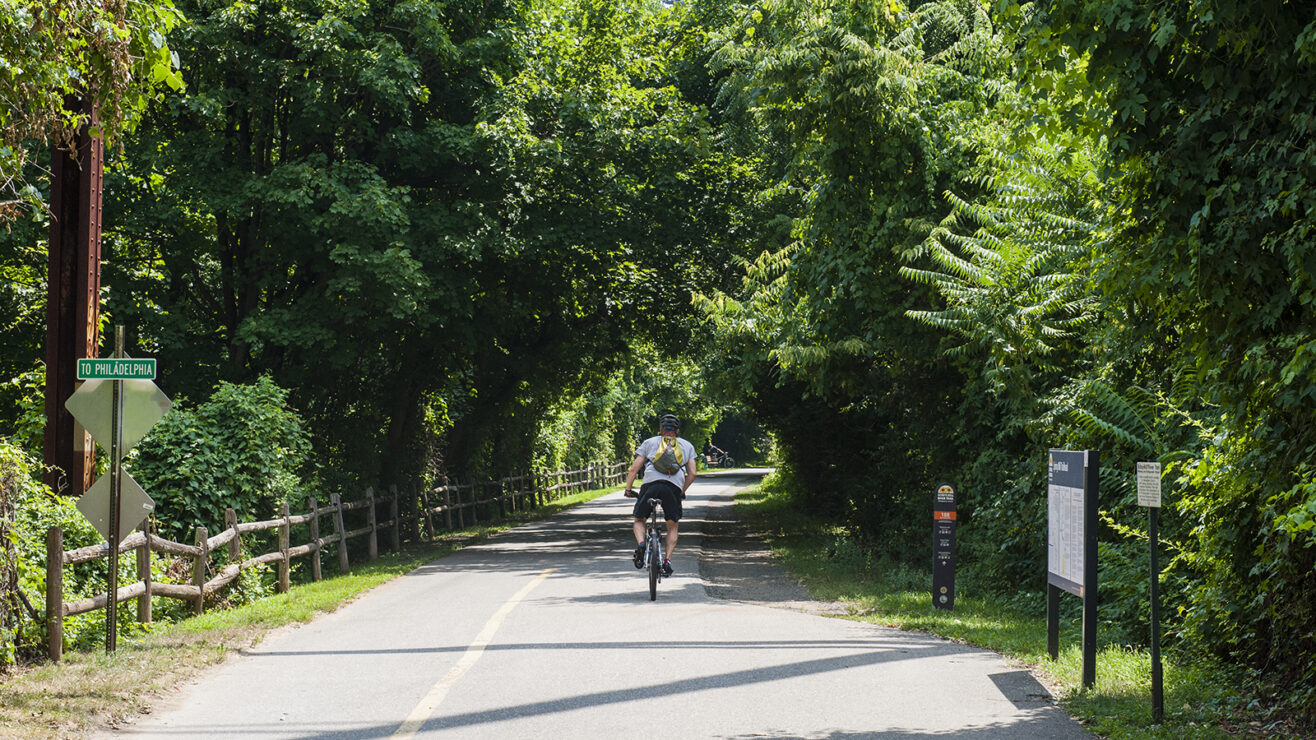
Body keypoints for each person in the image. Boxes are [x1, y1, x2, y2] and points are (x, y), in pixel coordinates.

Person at [624, 413, 697, 577]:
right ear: (677, 431)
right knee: (672, 525)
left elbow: (633, 469)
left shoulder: (650, 442)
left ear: (660, 429)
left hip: (650, 486)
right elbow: (692, 473)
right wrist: (681, 491)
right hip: (673, 489)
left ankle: (642, 544)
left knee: (639, 519)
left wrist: (628, 490)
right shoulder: (687, 446)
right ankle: (667, 561)